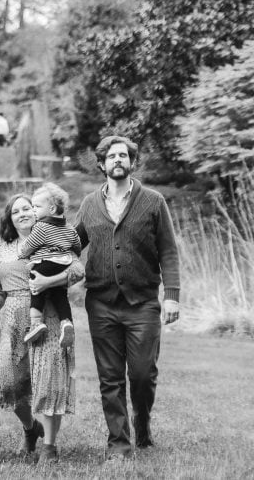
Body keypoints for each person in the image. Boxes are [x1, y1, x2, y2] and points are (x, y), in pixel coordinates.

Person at [75, 135, 180, 465]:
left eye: (124, 155)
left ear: (132, 162)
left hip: (143, 302)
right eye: (111, 155)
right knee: (110, 377)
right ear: (102, 164)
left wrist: (172, 297)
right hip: (101, 302)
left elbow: (168, 250)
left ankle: (142, 424)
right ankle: (118, 442)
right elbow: (71, 244)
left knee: (142, 374)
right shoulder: (89, 204)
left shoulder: (152, 201)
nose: (117, 159)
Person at [0, 194, 85, 464]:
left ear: (36, 212)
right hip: (12, 318)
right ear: (10, 218)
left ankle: (49, 446)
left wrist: (48, 282)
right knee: (9, 382)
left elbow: (78, 270)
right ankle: (31, 429)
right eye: (16, 211)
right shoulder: (3, 249)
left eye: (27, 208)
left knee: (49, 379)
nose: (22, 213)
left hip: (49, 316)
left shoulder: (53, 236)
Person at [19, 183, 82, 347]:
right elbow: (77, 247)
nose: (34, 210)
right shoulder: (70, 228)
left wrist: (22, 253)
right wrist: (67, 252)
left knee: (36, 288)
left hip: (45, 264)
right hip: (63, 264)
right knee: (60, 296)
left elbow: (29, 247)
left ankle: (35, 324)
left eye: (37, 206)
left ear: (52, 209)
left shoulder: (41, 226)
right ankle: (66, 323)